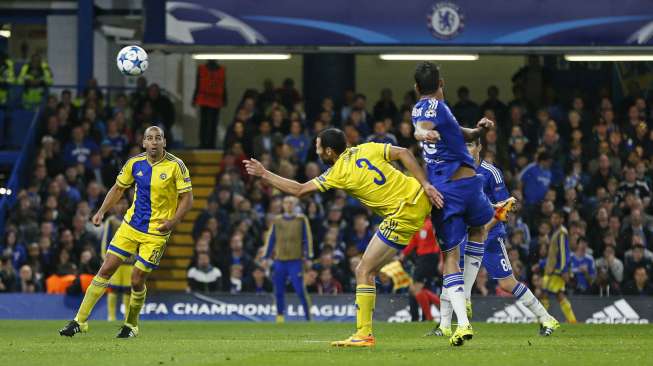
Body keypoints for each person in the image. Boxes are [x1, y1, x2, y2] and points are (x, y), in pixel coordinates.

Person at [245, 128, 442, 347]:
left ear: (329, 151)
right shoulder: (366, 148)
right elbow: (404, 152)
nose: (316, 150)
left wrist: (264, 174)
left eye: (318, 146)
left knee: (363, 270)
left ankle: (364, 333)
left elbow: (299, 190)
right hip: (421, 194)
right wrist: (425, 183)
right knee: (458, 241)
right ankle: (460, 311)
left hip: (403, 213)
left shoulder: (337, 172)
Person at [59, 126, 194, 338]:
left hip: (156, 232)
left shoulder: (177, 166)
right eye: (150, 138)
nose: (154, 142)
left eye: (158, 138)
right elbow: (118, 189)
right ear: (144, 143)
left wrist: (173, 221)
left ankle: (131, 325)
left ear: (164, 142)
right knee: (105, 269)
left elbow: (188, 198)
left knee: (136, 279)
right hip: (130, 226)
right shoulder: (134, 163)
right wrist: (101, 212)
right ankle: (79, 321)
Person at [430, 140, 559, 337]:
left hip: (490, 236)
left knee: (507, 283)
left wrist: (485, 229)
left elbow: (506, 205)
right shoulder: (454, 170)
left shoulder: (491, 172)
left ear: (480, 148)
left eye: (471, 145)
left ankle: (546, 318)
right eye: (463, 145)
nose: (467, 149)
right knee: (451, 273)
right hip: (465, 233)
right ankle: (444, 326)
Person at [411, 61, 495, 346]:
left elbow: (462, 134)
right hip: (470, 185)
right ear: (442, 83)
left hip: (448, 192)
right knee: (479, 230)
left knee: (450, 256)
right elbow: (420, 130)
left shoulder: (432, 110)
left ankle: (463, 320)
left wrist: (479, 130)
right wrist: (424, 133)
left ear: (416, 87)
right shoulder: (434, 108)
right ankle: (465, 300)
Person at [263, 196, 314, 322]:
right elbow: (271, 239)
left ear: (295, 205)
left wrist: (308, 256)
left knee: (300, 289)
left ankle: (308, 316)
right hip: (280, 260)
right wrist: (266, 256)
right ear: (283, 205)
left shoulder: (301, 219)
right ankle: (280, 316)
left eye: (291, 203)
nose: (288, 205)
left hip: (295, 260)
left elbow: (307, 238)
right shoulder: (277, 220)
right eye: (286, 203)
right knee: (278, 290)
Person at [540, 211, 577, 324]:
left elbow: (563, 252)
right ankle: (572, 320)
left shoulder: (561, 233)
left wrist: (563, 270)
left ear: (561, 220)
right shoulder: (555, 232)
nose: (553, 220)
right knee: (558, 294)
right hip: (552, 269)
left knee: (545, 292)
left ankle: (542, 320)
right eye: (552, 218)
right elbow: (553, 253)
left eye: (556, 218)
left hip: (557, 270)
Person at [100, 198, 133, 321]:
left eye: (124, 203)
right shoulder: (111, 221)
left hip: (130, 261)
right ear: (115, 206)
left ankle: (127, 318)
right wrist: (105, 257)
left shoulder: (132, 220)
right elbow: (105, 240)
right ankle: (111, 317)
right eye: (119, 203)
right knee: (113, 289)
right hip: (115, 260)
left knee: (127, 290)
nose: (122, 206)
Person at [193, 60, 226, 149]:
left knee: (209, 123)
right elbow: (198, 84)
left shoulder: (203, 69)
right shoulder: (203, 69)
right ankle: (206, 143)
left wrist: (194, 98)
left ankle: (208, 144)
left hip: (213, 99)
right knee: (207, 123)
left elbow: (223, 85)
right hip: (207, 99)